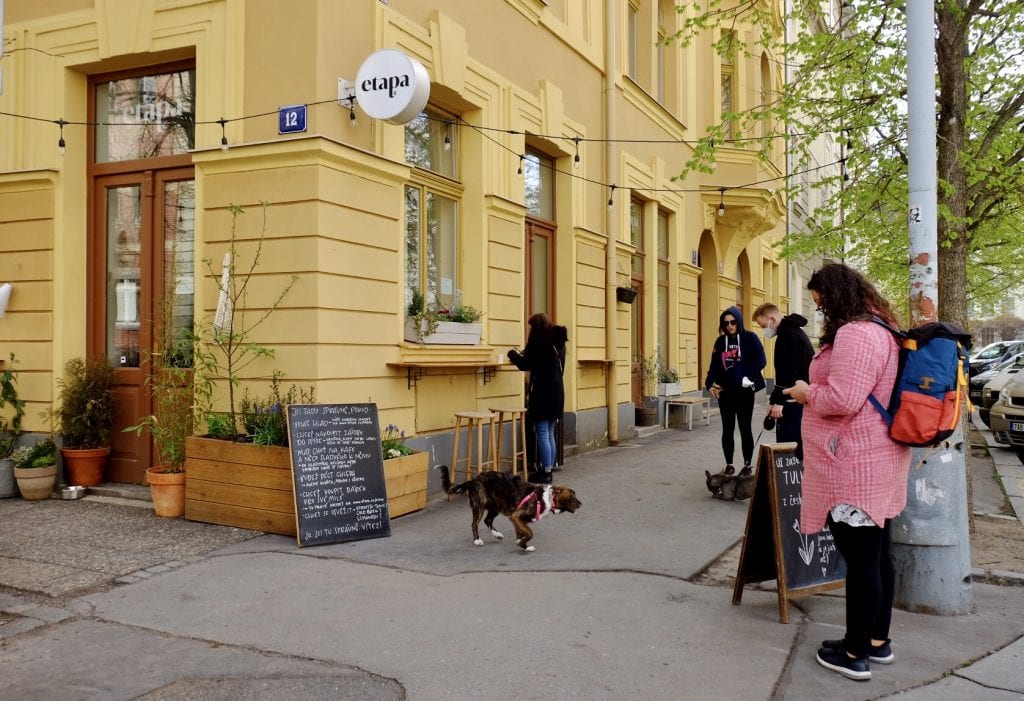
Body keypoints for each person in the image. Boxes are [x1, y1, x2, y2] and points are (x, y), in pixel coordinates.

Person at [782, 263, 912, 682]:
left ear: (837, 296)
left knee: (861, 561)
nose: (820, 312)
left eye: (821, 303)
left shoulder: (857, 333)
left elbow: (843, 398)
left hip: (854, 463)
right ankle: (876, 640)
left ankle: (856, 652)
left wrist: (806, 392)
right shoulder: (885, 327)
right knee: (876, 555)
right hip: (877, 458)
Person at [704, 306, 766, 476]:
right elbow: (714, 366)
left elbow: (761, 361)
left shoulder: (750, 339)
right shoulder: (720, 342)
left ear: (738, 321)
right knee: (727, 429)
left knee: (745, 429)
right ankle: (729, 464)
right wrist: (709, 384)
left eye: (733, 322)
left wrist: (744, 375)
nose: (730, 326)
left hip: (745, 393)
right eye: (726, 323)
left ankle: (747, 465)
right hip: (726, 393)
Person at [508, 313, 568, 484]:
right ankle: (548, 468)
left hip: (543, 394)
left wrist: (512, 353)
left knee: (543, 432)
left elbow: (525, 364)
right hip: (557, 393)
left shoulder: (541, 344)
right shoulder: (558, 343)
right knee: (549, 432)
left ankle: (546, 473)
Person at [752, 302, 814, 457]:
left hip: (793, 402)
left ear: (772, 318)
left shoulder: (787, 336)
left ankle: (791, 480)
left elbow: (789, 372)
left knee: (789, 447)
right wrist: (774, 400)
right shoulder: (792, 332)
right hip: (795, 398)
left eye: (763, 325)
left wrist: (779, 402)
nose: (764, 330)